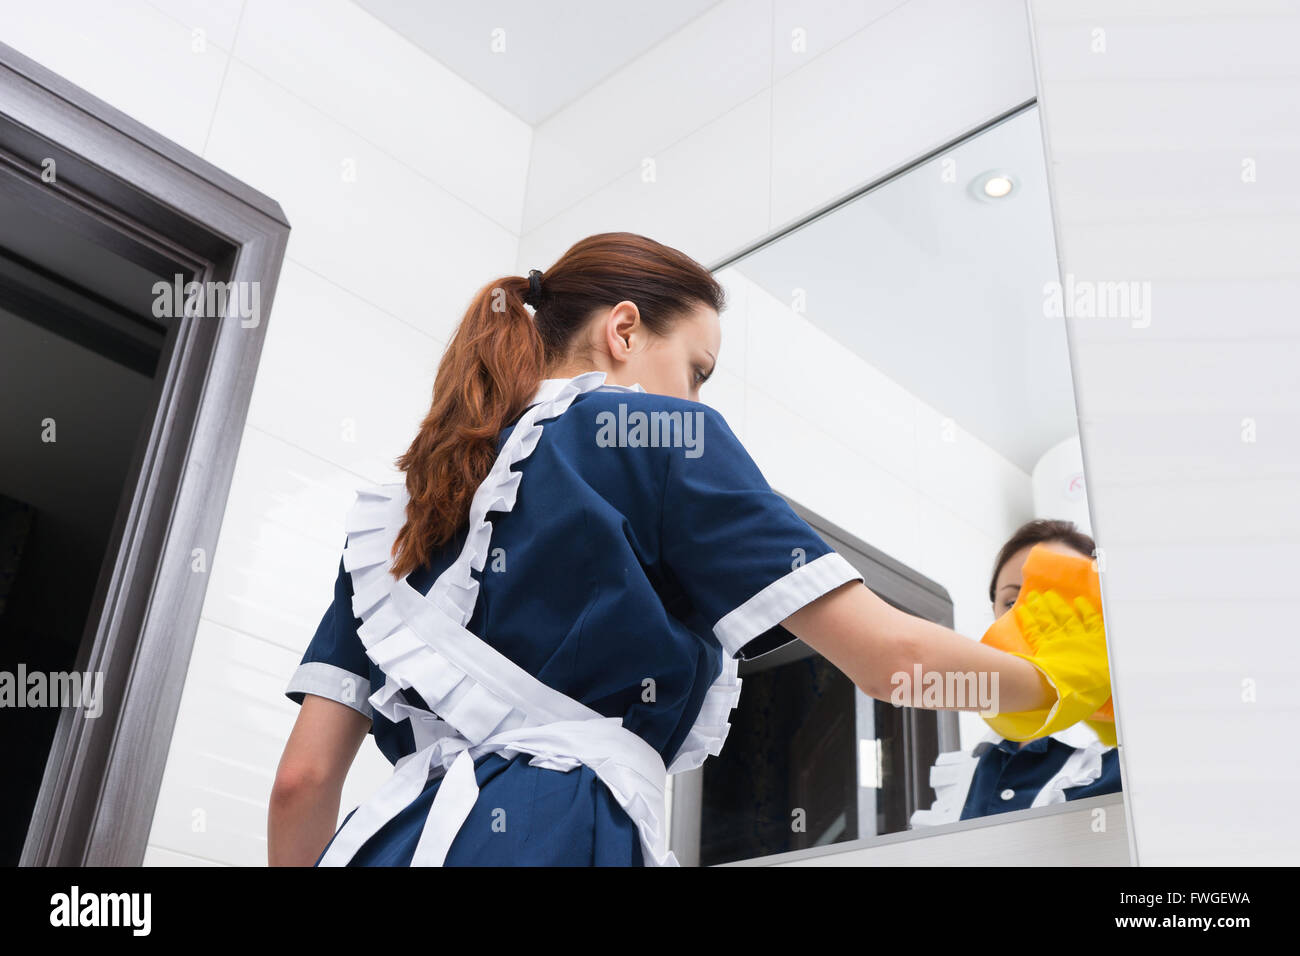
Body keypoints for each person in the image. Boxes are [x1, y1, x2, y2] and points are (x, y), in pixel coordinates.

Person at [267, 232, 1105, 866]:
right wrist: (1067, 683)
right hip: (555, 838)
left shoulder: (405, 510)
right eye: (698, 368)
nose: (697, 395)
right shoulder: (664, 433)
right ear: (624, 331)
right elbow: (888, 661)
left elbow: (301, 782)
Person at [911, 519, 1122, 826]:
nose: (1030, 614)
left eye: (1054, 595)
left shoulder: (1128, 745)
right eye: (1011, 601)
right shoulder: (971, 767)